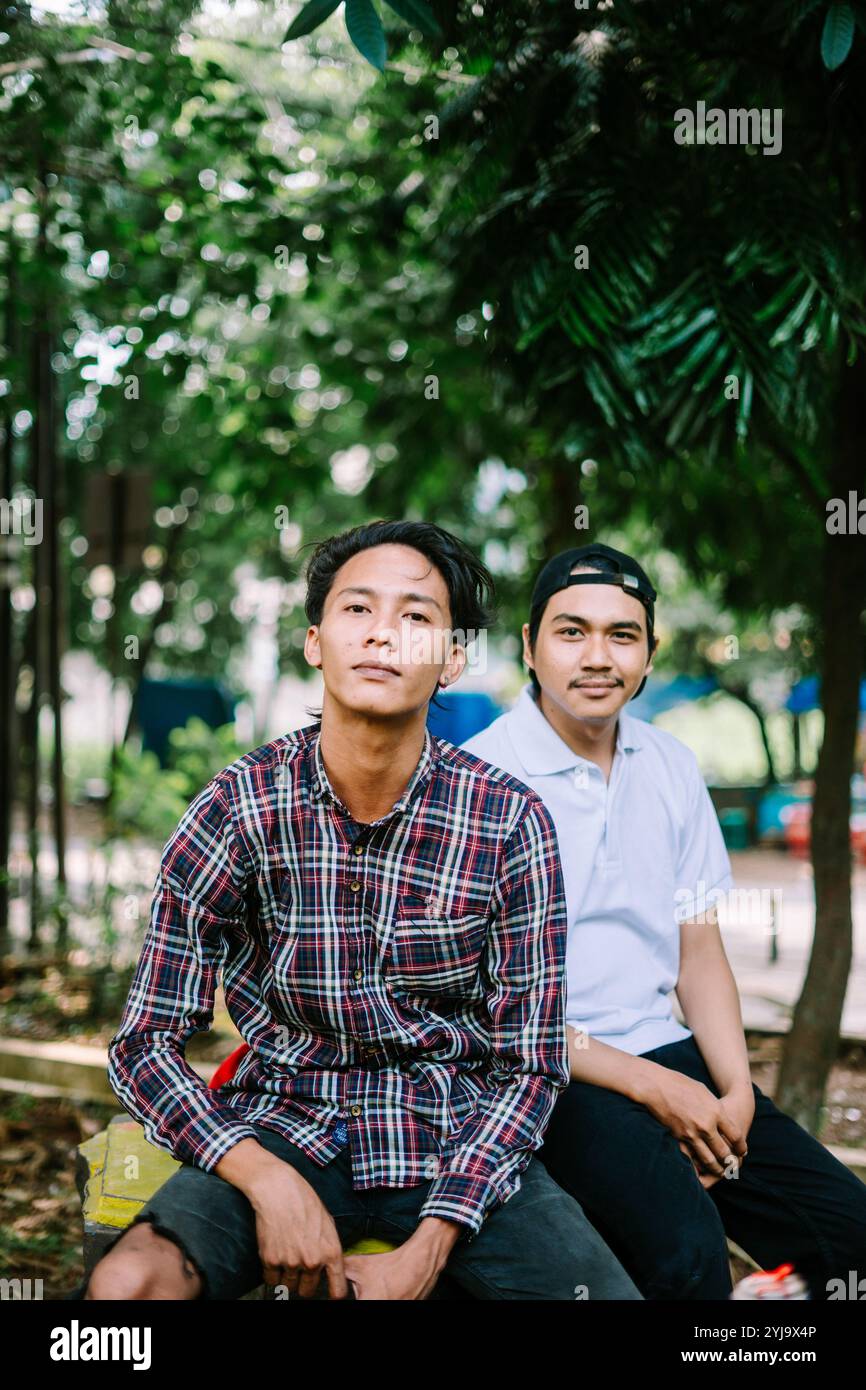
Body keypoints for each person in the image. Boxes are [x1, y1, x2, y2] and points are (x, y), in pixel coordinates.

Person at [75, 521, 640, 1302]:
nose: (384, 635)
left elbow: (529, 1064)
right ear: (315, 642)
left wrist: (430, 1246)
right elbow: (143, 1045)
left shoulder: (509, 820)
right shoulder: (238, 808)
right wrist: (265, 1178)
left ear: (451, 658)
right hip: (283, 1119)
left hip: (452, 1134)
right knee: (127, 1287)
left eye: (416, 616)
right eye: (357, 610)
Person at [461, 541, 866, 1300]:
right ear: (529, 645)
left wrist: (734, 1088)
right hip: (549, 1072)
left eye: (622, 635)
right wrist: (653, 1088)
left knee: (846, 1237)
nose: (597, 656)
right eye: (571, 631)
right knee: (685, 1255)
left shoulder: (671, 765)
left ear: (648, 655)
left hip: (670, 1054)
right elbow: (487, 1008)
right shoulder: (481, 780)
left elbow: (699, 949)